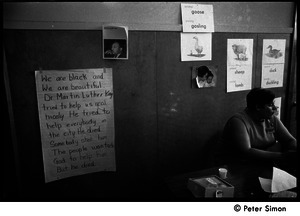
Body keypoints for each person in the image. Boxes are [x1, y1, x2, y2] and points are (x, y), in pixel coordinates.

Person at [222, 88, 297, 172]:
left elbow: (289, 140)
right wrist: (282, 156)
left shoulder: (271, 118)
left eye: (273, 104)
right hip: (242, 168)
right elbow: (247, 151)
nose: (274, 108)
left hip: (266, 164)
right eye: (270, 105)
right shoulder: (238, 121)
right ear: (258, 107)